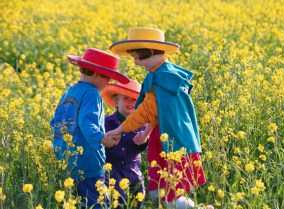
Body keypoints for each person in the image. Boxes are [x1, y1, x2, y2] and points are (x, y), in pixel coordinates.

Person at [106, 27, 211, 209]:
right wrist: (146, 133)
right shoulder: (160, 74)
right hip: (162, 138)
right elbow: (161, 112)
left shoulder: (164, 77)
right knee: (157, 193)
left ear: (151, 52)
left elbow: (146, 111)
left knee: (170, 197)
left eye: (137, 57)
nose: (136, 63)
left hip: (174, 143)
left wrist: (118, 130)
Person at [50, 48, 130, 209]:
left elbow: (55, 122)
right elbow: (87, 123)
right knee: (98, 203)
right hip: (88, 162)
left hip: (66, 160)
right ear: (96, 74)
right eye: (107, 78)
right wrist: (103, 139)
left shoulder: (70, 92)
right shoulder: (92, 94)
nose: (108, 83)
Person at [101, 79, 147, 209]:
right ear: (116, 102)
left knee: (137, 203)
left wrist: (143, 140)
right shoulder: (105, 122)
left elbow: (143, 147)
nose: (131, 102)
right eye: (126, 98)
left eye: (135, 99)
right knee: (117, 204)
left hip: (133, 173)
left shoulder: (143, 125)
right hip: (112, 173)